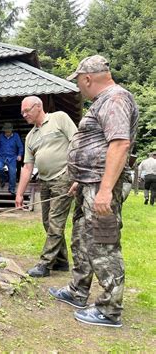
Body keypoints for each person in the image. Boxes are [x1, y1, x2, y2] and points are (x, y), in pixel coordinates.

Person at [49, 55, 139, 328]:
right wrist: (81, 179)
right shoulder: (104, 101)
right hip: (90, 184)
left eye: (78, 81)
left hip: (102, 187)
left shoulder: (114, 99)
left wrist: (105, 189)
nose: (78, 87)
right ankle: (78, 292)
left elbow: (120, 144)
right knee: (82, 239)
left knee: (103, 243)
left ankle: (110, 310)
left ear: (87, 78)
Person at [16, 96, 77, 277]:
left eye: (26, 111)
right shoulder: (30, 136)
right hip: (45, 181)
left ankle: (45, 264)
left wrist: (76, 174)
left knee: (55, 221)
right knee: (47, 221)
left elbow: (77, 143)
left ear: (38, 107)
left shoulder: (59, 118)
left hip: (63, 177)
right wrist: (19, 194)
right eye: (22, 112)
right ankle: (61, 261)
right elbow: (27, 167)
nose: (24, 115)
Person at [0, 122, 24, 195]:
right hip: (2, 157)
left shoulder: (16, 136)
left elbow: (20, 147)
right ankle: (4, 178)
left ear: (11, 130)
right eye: (6, 131)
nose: (7, 133)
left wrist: (19, 155)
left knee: (13, 174)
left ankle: (11, 189)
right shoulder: (1, 136)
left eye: (8, 131)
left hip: (12, 157)